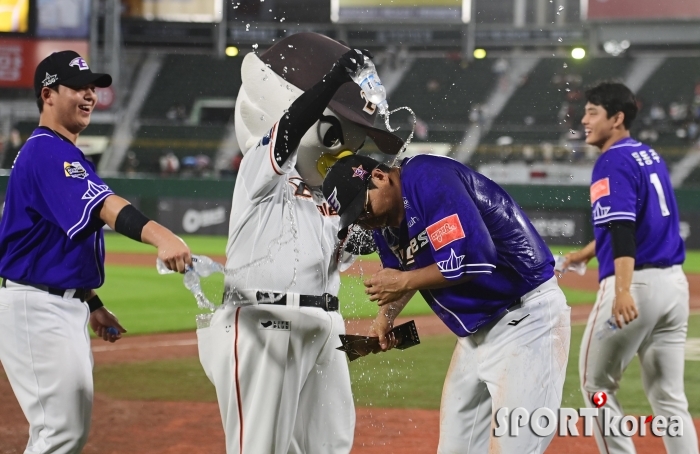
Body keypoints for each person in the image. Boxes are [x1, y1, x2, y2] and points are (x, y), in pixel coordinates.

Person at [196, 33, 403, 454]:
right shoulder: (262, 170)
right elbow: (289, 128)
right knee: (262, 448)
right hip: (262, 319)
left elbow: (357, 241)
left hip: (325, 327)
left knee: (330, 446)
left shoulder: (332, 196)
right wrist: (330, 82)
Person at [0, 50, 192, 454]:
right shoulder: (47, 151)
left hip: (55, 306)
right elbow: (106, 208)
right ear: (48, 94)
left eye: (94, 88)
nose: (90, 96)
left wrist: (92, 303)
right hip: (36, 309)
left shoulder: (61, 152)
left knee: (58, 431)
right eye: (79, 87)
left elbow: (56, 244)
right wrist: (161, 235)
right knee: (62, 432)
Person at [322, 153, 571, 453]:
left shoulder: (427, 177)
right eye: (356, 218)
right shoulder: (385, 225)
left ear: (379, 177)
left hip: (527, 318)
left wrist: (402, 282)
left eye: (363, 208)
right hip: (475, 336)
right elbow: (403, 272)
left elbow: (474, 258)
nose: (365, 220)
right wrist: (384, 317)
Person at [563, 82, 699, 454]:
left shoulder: (612, 160)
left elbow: (623, 230)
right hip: (673, 289)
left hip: (635, 287)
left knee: (596, 389)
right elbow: (637, 222)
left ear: (617, 118)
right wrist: (589, 252)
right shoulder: (647, 155)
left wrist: (622, 291)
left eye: (593, 112)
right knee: (670, 399)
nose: (584, 120)